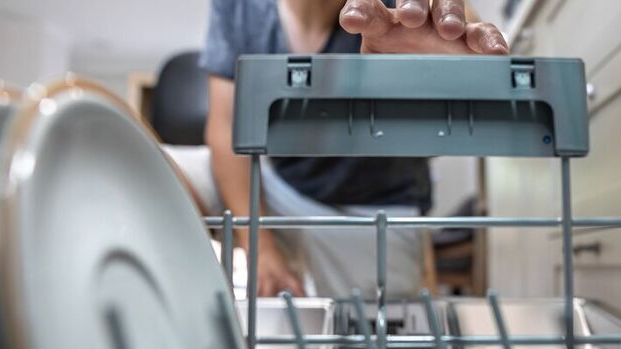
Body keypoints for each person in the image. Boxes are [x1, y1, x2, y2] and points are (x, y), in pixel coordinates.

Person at [201, 0, 508, 298]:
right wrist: (260, 248)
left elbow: (478, 51)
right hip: (279, 192)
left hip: (376, 208)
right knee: (173, 175)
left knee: (376, 324)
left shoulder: (398, 9)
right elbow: (226, 127)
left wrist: (464, 57)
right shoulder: (239, 7)